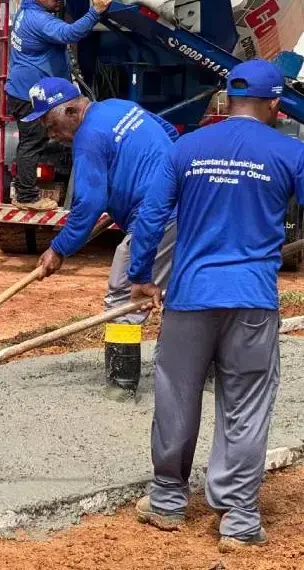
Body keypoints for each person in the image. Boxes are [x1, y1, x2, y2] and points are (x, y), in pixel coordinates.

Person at [129, 59, 303, 551]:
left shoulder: (186, 148)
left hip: (190, 297)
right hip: (251, 300)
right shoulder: (291, 152)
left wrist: (142, 276)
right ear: (275, 105)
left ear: (226, 101)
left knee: (176, 394)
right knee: (246, 404)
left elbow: (151, 217)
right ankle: (239, 519)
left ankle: (166, 499)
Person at [26, 77, 180, 400]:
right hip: (184, 206)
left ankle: (121, 386)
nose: (49, 134)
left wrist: (58, 249)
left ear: (70, 110)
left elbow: (88, 205)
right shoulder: (117, 107)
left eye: (49, 123)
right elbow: (169, 133)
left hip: (160, 218)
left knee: (123, 296)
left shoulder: (88, 138)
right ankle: (200, 375)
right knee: (183, 290)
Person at [5, 0, 112, 211]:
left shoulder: (27, 11)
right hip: (30, 96)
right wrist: (95, 11)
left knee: (32, 142)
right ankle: (26, 196)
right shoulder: (38, 19)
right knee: (32, 143)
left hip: (24, 90)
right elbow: (69, 34)